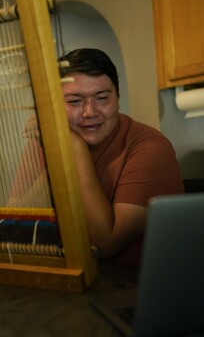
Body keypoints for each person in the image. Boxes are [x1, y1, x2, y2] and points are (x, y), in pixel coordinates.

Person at [58, 48, 184, 265]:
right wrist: (55, 147)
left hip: (136, 285)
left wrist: (76, 150)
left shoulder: (150, 147)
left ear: (117, 99)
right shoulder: (56, 138)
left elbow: (104, 244)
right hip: (70, 276)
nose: (90, 112)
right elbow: (16, 222)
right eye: (75, 101)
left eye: (102, 98)